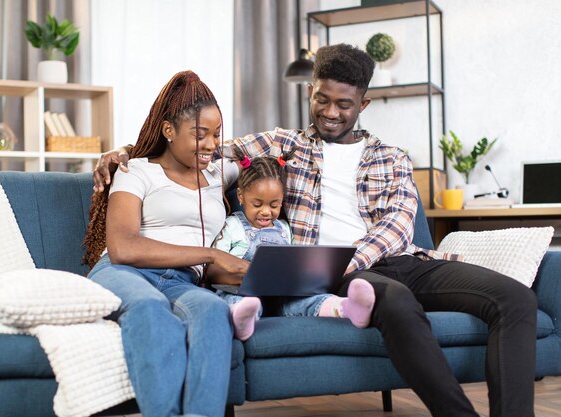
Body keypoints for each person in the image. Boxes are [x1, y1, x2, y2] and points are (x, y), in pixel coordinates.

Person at [93, 45, 537, 417]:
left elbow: (397, 226)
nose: (330, 112)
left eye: (343, 104)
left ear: (362, 104)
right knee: (395, 302)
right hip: (332, 271)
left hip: (393, 260)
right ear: (311, 92)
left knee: (515, 298)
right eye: (322, 99)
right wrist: (126, 151)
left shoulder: (393, 157)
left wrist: (351, 258)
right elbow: (201, 148)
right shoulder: (284, 143)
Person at [83, 70, 249, 417]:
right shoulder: (137, 171)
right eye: (199, 134)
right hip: (124, 273)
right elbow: (123, 247)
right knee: (147, 307)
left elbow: (265, 154)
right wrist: (212, 254)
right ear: (169, 131)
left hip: (181, 280)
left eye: (216, 134)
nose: (210, 144)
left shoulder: (222, 173)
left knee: (213, 310)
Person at [209, 147, 375, 341]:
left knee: (305, 300)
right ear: (240, 196)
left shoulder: (283, 228)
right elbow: (214, 270)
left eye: (274, 205)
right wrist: (245, 276)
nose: (266, 212)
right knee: (240, 301)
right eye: (257, 204)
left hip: (281, 295)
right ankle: (243, 319)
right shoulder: (231, 226)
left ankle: (344, 308)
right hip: (242, 291)